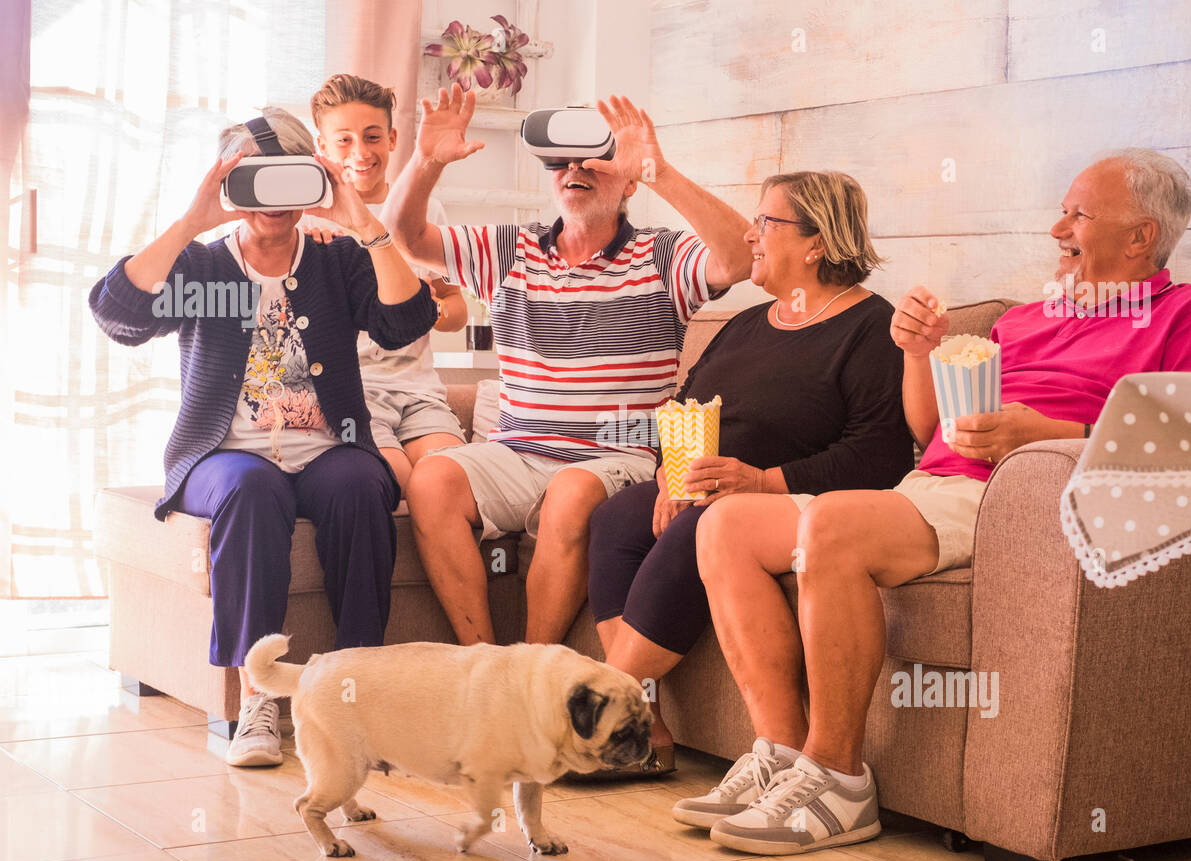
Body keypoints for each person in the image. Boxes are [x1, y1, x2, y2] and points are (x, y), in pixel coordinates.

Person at [686, 148, 1191, 854]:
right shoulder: (1025, 320)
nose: (1056, 228)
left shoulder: (1187, 315)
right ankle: (785, 755)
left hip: (1021, 496)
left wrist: (1053, 433)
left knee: (832, 525)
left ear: (1141, 237)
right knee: (727, 525)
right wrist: (917, 352)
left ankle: (839, 780)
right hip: (937, 485)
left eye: (1077, 213)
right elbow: (931, 432)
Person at [88, 107, 436, 767]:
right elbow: (117, 314)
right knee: (254, 489)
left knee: (365, 482)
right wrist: (193, 220)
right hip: (223, 459)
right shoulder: (202, 267)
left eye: (288, 178)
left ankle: (355, 699)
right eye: (252, 179)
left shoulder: (338, 261)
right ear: (229, 183)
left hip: (329, 453)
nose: (271, 199)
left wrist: (361, 220)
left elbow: (408, 320)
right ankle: (257, 701)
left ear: (312, 180)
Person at [387, 88, 753, 647]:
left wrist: (660, 171)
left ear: (628, 180)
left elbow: (740, 258)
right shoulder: (510, 250)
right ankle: (485, 664)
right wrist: (427, 160)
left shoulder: (661, 255)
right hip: (517, 452)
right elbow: (404, 237)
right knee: (433, 479)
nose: (574, 168)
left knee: (573, 491)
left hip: (617, 456)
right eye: (559, 159)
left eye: (595, 159)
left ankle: (536, 669)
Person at [585, 170, 915, 775]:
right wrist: (667, 477)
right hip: (711, 488)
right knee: (614, 517)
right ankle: (645, 732)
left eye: (765, 222)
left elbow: (880, 454)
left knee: (700, 526)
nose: (749, 234)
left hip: (793, 501)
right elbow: (681, 407)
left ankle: (596, 704)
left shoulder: (871, 329)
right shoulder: (744, 324)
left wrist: (760, 481)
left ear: (817, 242)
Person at [304, 73, 469, 495]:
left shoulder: (424, 212)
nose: (360, 152)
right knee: (398, 482)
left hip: (419, 394)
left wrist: (422, 311)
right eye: (343, 140)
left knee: (448, 482)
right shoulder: (306, 221)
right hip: (351, 394)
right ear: (321, 147)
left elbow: (456, 310)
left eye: (372, 136)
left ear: (393, 139)